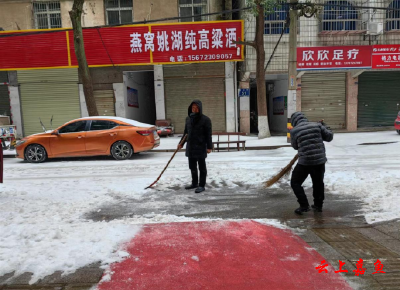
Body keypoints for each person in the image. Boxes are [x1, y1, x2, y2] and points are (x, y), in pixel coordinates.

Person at [289, 112, 334, 215]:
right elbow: (329, 137)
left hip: (305, 162)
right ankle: (318, 206)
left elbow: (295, 146)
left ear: (294, 121)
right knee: (318, 183)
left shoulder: (294, 131)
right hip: (319, 161)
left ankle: (304, 205)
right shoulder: (317, 125)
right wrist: (324, 126)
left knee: (295, 182)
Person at [178, 100, 212, 193]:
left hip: (200, 146)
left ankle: (201, 185)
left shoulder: (206, 120)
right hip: (191, 147)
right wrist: (181, 143)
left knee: (202, 167)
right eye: (193, 107)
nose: (195, 109)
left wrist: (209, 147)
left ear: (200, 108)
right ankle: (194, 183)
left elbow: (208, 134)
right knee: (192, 166)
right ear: (190, 108)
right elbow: (186, 133)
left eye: (197, 107)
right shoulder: (188, 119)